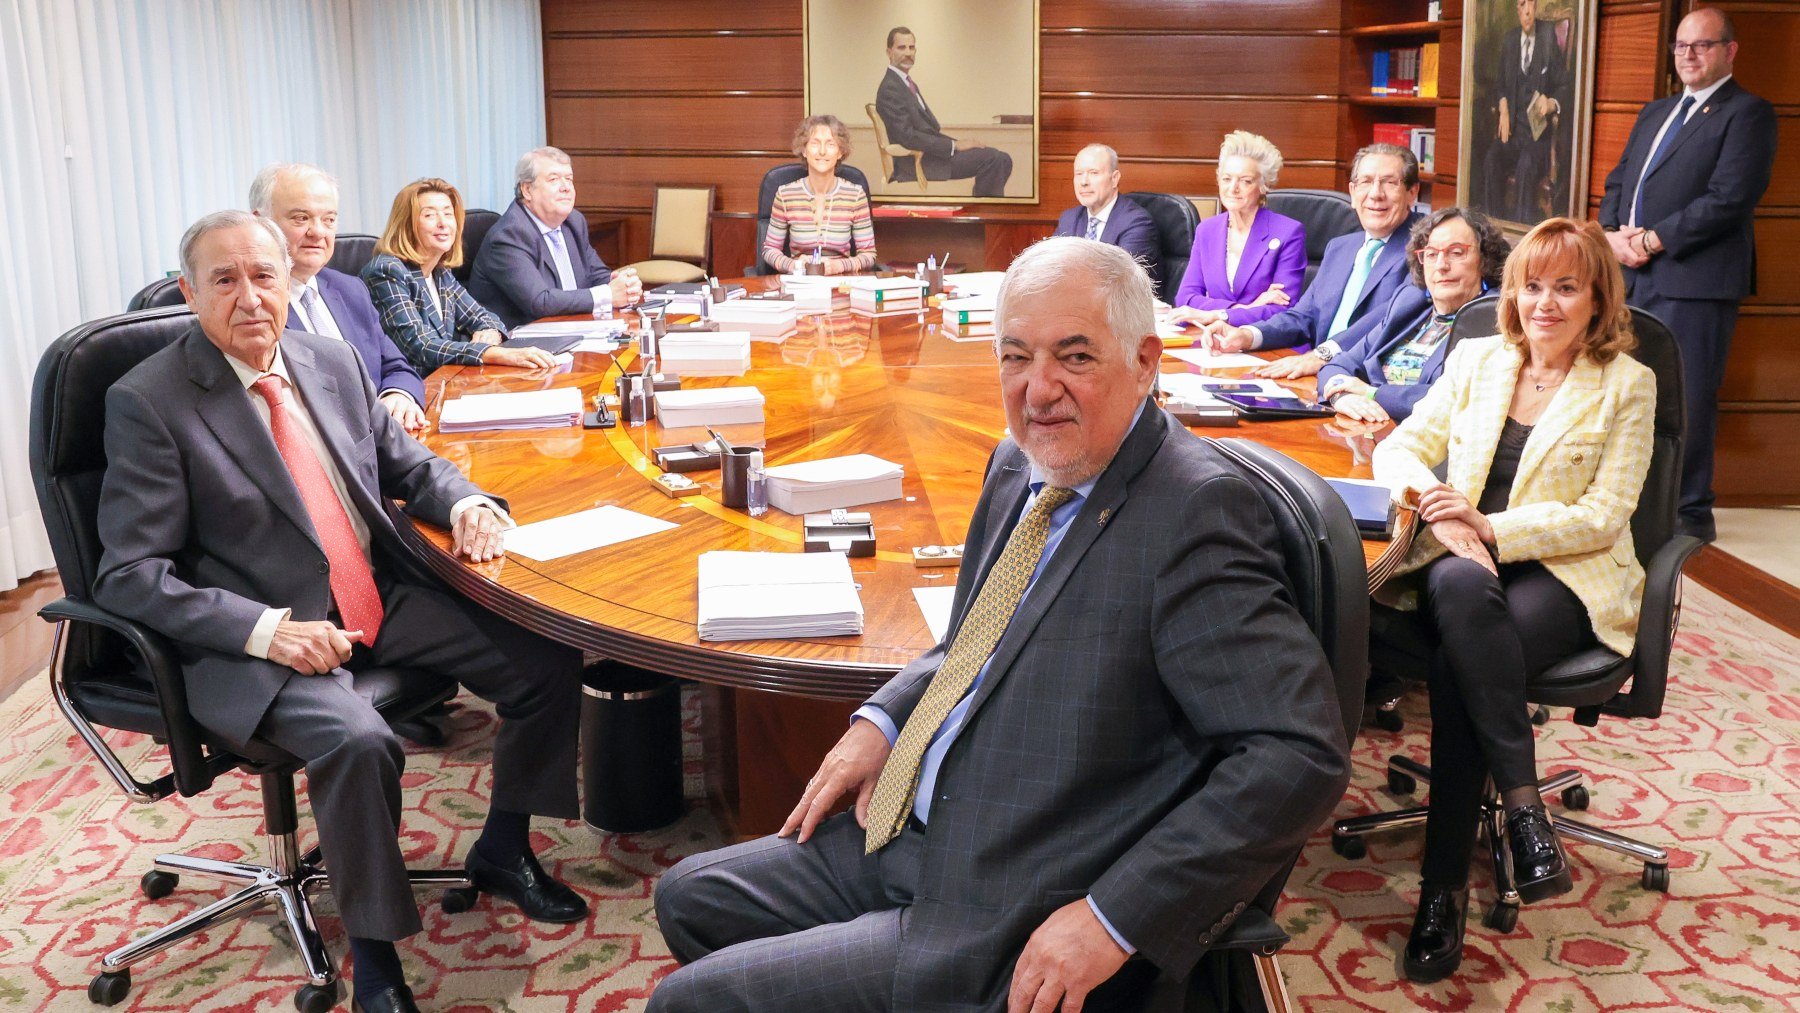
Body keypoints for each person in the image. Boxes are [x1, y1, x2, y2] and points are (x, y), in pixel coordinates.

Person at [648, 237, 1350, 1012]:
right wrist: (883, 718)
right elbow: (971, 639)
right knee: (687, 897)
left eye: (1073, 357)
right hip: (911, 825)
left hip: (1007, 896)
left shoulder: (1195, 513)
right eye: (1015, 356)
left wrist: (1113, 918)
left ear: (1146, 362)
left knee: (686, 1002)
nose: (1036, 389)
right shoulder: (1020, 464)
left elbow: (1297, 753)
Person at [93, 212, 589, 1013]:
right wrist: (267, 630)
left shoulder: (330, 360)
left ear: (291, 280)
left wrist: (464, 501)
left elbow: (407, 462)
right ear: (189, 292)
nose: (251, 297)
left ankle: (502, 846)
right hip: (257, 633)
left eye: (265, 275)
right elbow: (128, 574)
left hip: (369, 593)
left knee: (544, 658)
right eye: (225, 280)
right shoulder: (149, 400)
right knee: (359, 738)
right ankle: (374, 953)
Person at [1370, 217, 1655, 984]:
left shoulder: (1628, 382)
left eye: (1567, 287)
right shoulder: (1476, 359)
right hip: (1461, 562)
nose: (1546, 303)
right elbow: (1395, 445)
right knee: (1463, 590)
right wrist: (1432, 497)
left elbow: (1605, 513)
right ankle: (1523, 813)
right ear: (1515, 292)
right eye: (1533, 285)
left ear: (1598, 298)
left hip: (1566, 572)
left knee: (1465, 657)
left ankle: (1442, 893)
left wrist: (1488, 524)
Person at [1598, 6, 1776, 542]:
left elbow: (1730, 198)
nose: (1689, 55)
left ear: (1730, 50)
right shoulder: (1656, 112)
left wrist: (1652, 238)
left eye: (1701, 45)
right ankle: (1632, 501)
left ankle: (1688, 512)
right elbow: (1618, 180)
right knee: (1624, 390)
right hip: (1631, 275)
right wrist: (1609, 234)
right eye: (1681, 46)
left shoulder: (1747, 113)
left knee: (1688, 394)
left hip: (1694, 280)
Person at [1207, 144, 1426, 380]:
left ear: (1412, 193)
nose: (1375, 194)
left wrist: (1321, 355)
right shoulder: (1340, 248)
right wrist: (1248, 335)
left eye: (1389, 182)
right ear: (1352, 192)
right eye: (1365, 182)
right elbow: (1304, 316)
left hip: (1367, 382)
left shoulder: (1425, 250)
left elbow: (1389, 320)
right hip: (1318, 378)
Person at [249, 163, 428, 435]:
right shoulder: (251, 307)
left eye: (329, 219)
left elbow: (396, 365)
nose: (318, 232)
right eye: (301, 218)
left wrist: (399, 395)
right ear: (261, 224)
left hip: (389, 443)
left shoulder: (350, 289)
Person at [1316, 207, 1509, 424]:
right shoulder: (1410, 306)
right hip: (1365, 430)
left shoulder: (1492, 318)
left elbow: (1456, 401)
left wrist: (1372, 394)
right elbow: (1338, 365)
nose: (1441, 265)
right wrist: (1342, 397)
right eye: (1432, 254)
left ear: (1484, 260)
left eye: (1456, 253)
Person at [362, 178, 554, 373]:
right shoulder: (387, 271)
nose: (443, 223)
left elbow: (482, 316)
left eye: (448, 213)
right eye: (429, 215)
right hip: (410, 391)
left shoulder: (440, 271)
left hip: (447, 379)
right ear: (406, 224)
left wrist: (491, 331)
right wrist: (490, 353)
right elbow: (419, 345)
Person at [468, 146, 644, 328]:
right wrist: (607, 294)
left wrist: (621, 285)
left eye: (569, 179)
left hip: (571, 328)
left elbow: (595, 274)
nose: (566, 187)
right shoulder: (509, 235)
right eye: (554, 180)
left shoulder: (573, 222)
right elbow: (539, 301)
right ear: (527, 190)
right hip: (521, 341)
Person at [1167, 131, 1307, 328]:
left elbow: (1282, 309)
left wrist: (1218, 315)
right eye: (1226, 179)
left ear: (1264, 186)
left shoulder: (1288, 233)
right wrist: (1248, 308)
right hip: (1212, 339)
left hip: (1264, 343)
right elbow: (1186, 298)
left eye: (1245, 181)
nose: (1233, 188)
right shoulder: (1207, 230)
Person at [873, 26, 1014, 198]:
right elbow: (907, 137)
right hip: (918, 163)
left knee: (1003, 159)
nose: (908, 52)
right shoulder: (890, 88)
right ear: (889, 52)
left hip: (933, 155)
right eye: (901, 47)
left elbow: (928, 130)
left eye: (911, 47)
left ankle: (983, 208)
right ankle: (985, 214)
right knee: (994, 159)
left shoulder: (905, 83)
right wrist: (954, 146)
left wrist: (960, 144)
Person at [1481, 0, 1568, 224]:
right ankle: (1494, 225)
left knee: (1526, 166)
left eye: (1531, 4)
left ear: (1536, 7)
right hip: (1514, 132)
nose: (1528, 11)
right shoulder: (1510, 40)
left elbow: (1563, 85)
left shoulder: (1548, 35)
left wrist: (1551, 102)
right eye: (1522, 5)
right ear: (1517, 10)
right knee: (1492, 158)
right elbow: (1500, 83)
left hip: (1539, 135)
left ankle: (1521, 234)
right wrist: (1503, 107)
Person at [763, 114, 879, 275]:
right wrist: (793, 265)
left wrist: (839, 266)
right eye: (815, 144)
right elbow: (770, 250)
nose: (822, 151)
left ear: (840, 152)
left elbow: (869, 255)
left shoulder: (855, 195)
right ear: (804, 150)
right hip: (799, 282)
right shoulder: (785, 194)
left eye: (831, 144)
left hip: (841, 282)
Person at [1052, 143, 1159, 286]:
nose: (1084, 182)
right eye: (1079, 174)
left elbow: (1118, 281)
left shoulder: (1137, 223)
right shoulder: (1069, 219)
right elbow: (1050, 269)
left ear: (1114, 178)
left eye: (1093, 173)